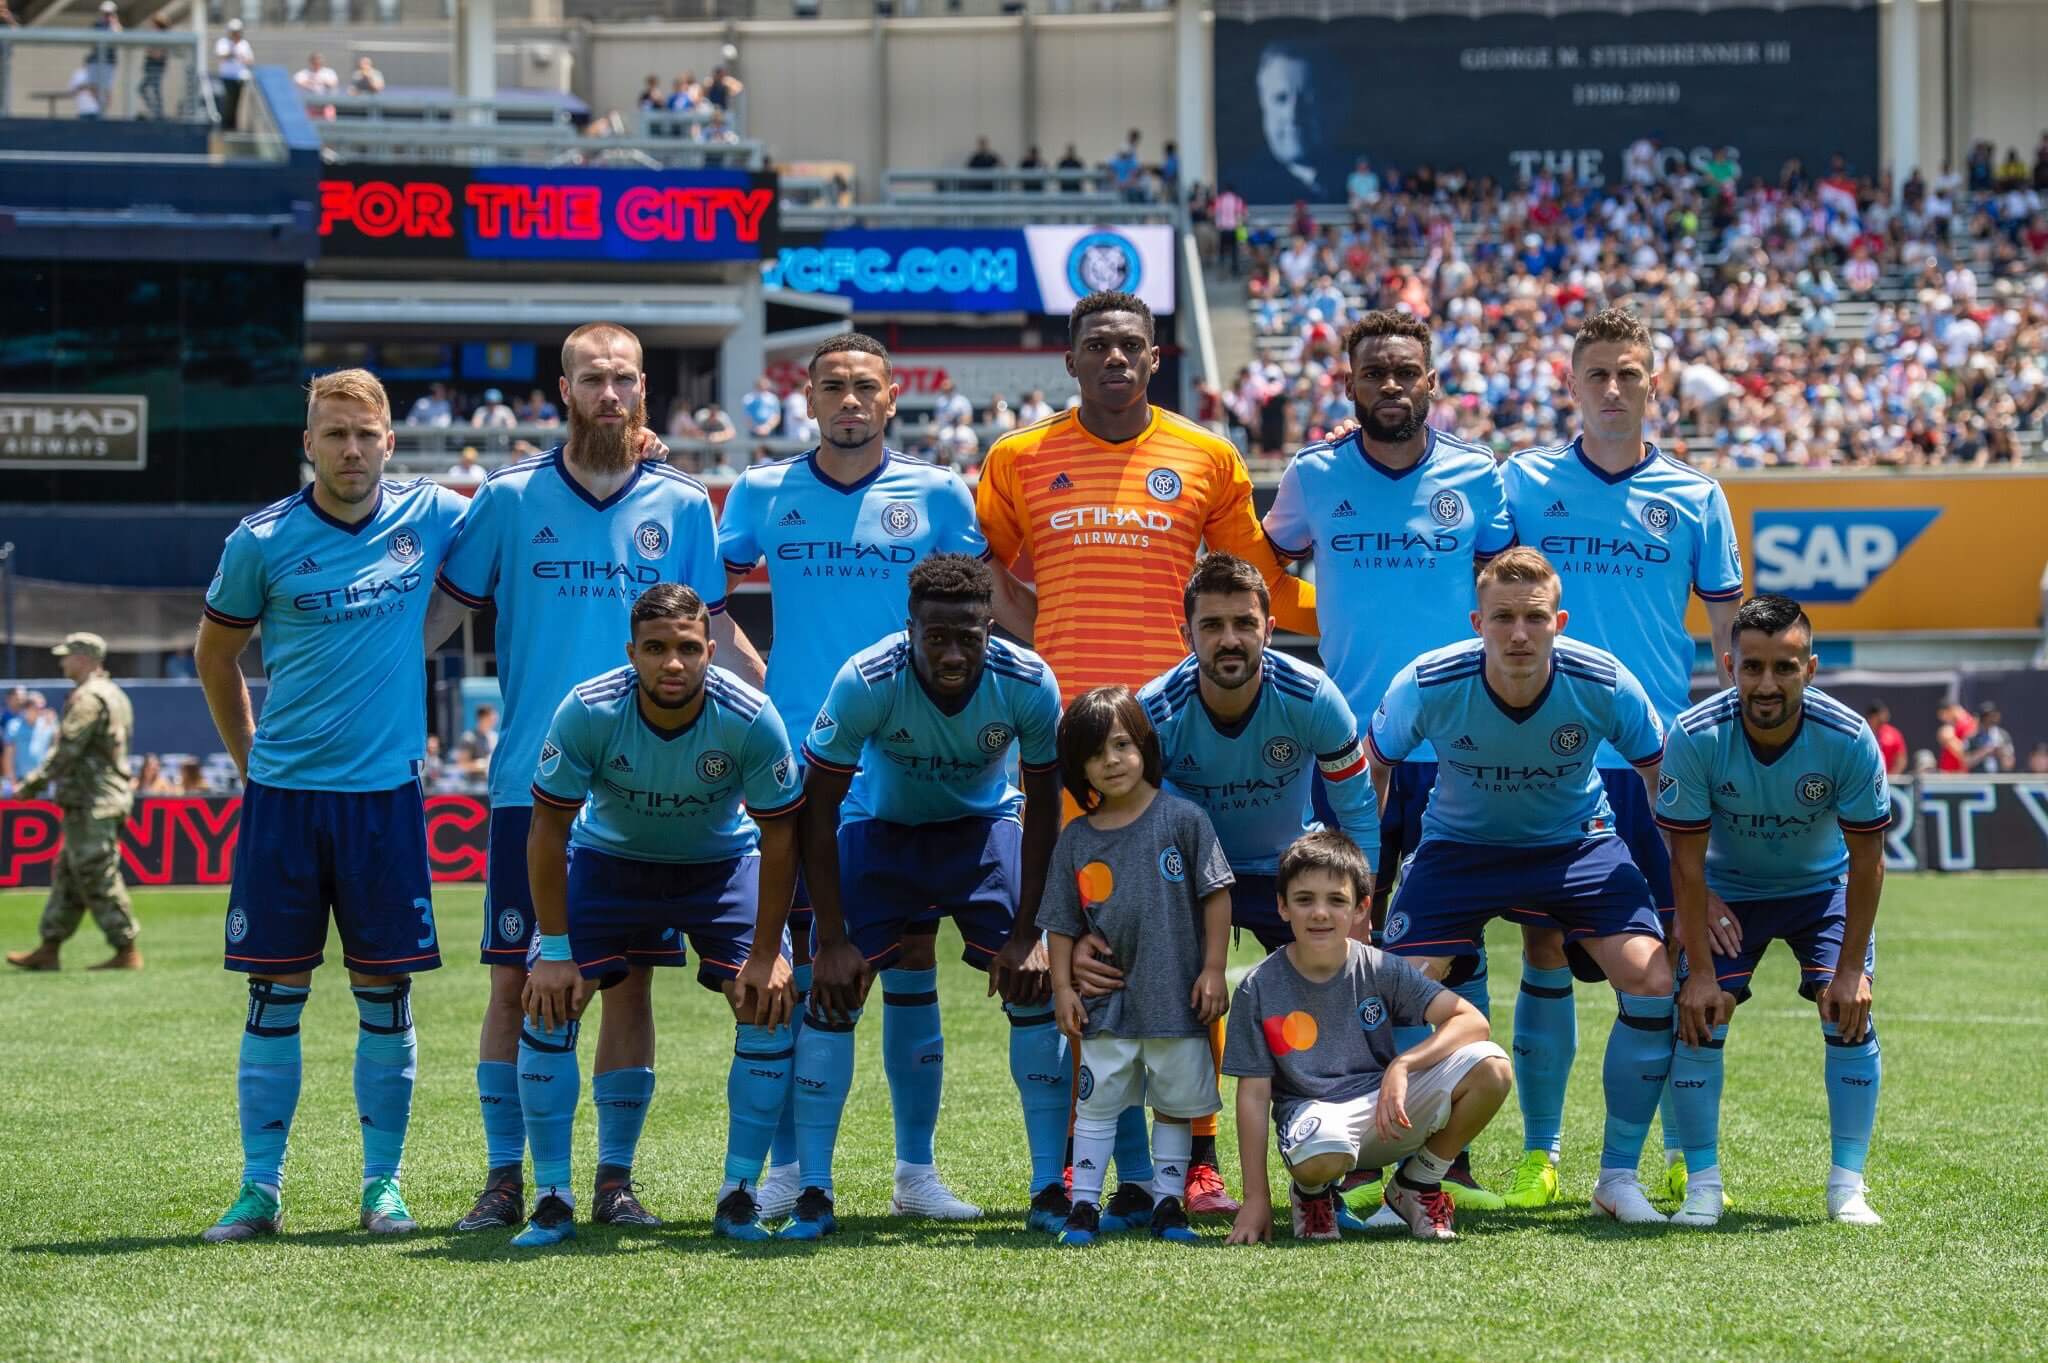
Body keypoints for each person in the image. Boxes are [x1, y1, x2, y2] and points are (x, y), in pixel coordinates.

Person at [976, 289, 1316, 1212]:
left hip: (1168, 741)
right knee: (1078, 950)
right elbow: (994, 574)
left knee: (1168, 957)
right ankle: (1096, 1165)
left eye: (1131, 345)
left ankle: (1190, 1153)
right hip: (1064, 749)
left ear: (1155, 356)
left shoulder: (1206, 455)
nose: (1115, 358)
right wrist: (1043, 653)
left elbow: (1256, 582)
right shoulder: (1018, 458)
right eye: (1099, 345)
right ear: (1071, 358)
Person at [429, 321, 760, 1233]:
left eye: (622, 380)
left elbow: (716, 638)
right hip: (527, 790)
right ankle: (506, 1177)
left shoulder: (688, 503)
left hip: (646, 790)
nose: (608, 395)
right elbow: (431, 629)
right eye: (591, 380)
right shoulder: (505, 497)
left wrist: (780, 713)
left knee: (630, 984)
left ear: (644, 389)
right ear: (562, 390)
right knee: (514, 980)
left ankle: (614, 1179)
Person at [715, 333, 990, 1217]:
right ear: (807, 398)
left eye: (864, 386)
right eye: (832, 385)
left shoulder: (941, 493)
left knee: (912, 955)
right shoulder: (761, 492)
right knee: (802, 958)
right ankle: (791, 1169)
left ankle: (916, 1173)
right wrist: (754, 674)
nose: (849, 400)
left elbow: (980, 608)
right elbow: (708, 590)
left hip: (904, 758)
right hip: (801, 758)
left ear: (893, 396)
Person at [191, 369, 469, 1242]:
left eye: (366, 434)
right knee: (274, 995)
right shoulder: (261, 540)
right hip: (285, 802)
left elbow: (533, 498)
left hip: (383, 798)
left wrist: (637, 440)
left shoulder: (433, 514)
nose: (351, 448)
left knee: (385, 995)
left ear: (391, 440)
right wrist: (251, 766)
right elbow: (214, 656)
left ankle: (381, 1186)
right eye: (334, 433)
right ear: (307, 443)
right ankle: (259, 1189)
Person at [1260, 309, 1512, 1206]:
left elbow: (1496, 591)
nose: (1393, 386)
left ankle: (1446, 1147)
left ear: (1432, 381)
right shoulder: (1314, 475)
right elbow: (1270, 567)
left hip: (1454, 749)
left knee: (1455, 935)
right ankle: (1336, 1121)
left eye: (1409, 370)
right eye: (1377, 373)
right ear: (1351, 382)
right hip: (1345, 749)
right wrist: (1318, 620)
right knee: (1338, 934)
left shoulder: (1477, 478)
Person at [1498, 305, 1745, 1207]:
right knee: (1544, 942)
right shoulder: (1521, 482)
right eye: (1596, 372)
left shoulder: (1696, 496)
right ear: (1569, 383)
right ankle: (1541, 1152)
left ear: (1653, 383)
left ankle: (1684, 1147)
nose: (1612, 389)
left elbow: (1729, 646)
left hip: (1655, 764)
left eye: (1628, 373)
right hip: (1546, 757)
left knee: (1680, 951)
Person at [1367, 547, 1678, 1225]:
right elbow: (1375, 769)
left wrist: (1679, 903)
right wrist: (1371, 882)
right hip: (1458, 847)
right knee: (1397, 987)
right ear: (1477, 620)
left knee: (1653, 981)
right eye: (1502, 617)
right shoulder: (1428, 680)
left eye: (1534, 618)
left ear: (1558, 620)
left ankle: (1617, 1176)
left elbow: (1664, 785)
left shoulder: (1603, 680)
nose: (1518, 634)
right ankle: (1412, 1171)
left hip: (1575, 844)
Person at [780, 556, 1065, 1239]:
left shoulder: (1028, 680)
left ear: (990, 629)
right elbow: (814, 809)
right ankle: (814, 1190)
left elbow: (1049, 808)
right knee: (831, 990)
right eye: (936, 635)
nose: (952, 651)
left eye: (968, 635)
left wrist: (1031, 932)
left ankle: (1051, 1184)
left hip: (982, 829)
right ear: (909, 628)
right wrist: (833, 937)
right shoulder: (866, 678)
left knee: (1035, 988)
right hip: (879, 828)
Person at [513, 584, 802, 1245]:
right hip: (608, 860)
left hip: (718, 865)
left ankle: (738, 1196)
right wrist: (554, 951)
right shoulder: (589, 709)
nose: (672, 663)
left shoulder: (750, 715)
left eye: (688, 648)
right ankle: (553, 1196)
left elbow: (781, 836)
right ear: (631, 652)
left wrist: (765, 953)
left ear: (709, 650)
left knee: (765, 998)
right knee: (549, 999)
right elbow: (548, 830)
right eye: (656, 649)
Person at [1659, 594, 1890, 1227]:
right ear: (1730, 664)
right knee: (1702, 1012)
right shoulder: (1696, 734)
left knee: (1848, 1010)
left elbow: (1868, 861)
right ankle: (1702, 1186)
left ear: (1810, 669)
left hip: (1822, 893)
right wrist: (1701, 972)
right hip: (1729, 895)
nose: (1767, 683)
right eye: (1753, 666)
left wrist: (1849, 972)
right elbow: (1684, 860)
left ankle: (1848, 1188)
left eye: (1784, 668)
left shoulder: (1847, 737)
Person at [1222, 830, 1512, 1243]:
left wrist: (1404, 1063)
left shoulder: (1380, 967)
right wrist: (1255, 1199)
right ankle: (1312, 1193)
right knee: (1324, 1152)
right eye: (1304, 899)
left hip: (1386, 1113)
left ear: (1361, 908)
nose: (1319, 913)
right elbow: (1252, 1096)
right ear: (1282, 907)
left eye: (1336, 901)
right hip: (1316, 1121)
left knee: (1492, 1066)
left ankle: (1418, 1183)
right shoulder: (1258, 987)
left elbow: (1470, 1021)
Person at [1041, 686, 1233, 1246]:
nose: (1113, 761)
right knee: (1097, 1102)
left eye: (1122, 745)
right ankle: (1083, 1208)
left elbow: (1216, 893)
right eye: (1096, 754)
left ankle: (1168, 1204)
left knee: (1175, 1106)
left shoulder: (1184, 820)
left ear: (1145, 746)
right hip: (1106, 1006)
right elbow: (1059, 921)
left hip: (1177, 1000)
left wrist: (1215, 969)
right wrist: (1062, 988)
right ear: (1081, 770)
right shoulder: (1076, 839)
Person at [5, 633, 139, 974]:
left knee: (96, 872)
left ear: (85, 657)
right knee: (69, 874)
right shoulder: (115, 694)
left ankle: (126, 948)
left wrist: (32, 784)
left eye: (67, 656)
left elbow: (68, 749)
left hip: (93, 799)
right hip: (103, 796)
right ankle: (49, 948)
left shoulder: (88, 698)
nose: (62, 662)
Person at [215, 19, 254, 129]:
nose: (236, 34)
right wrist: (233, 52)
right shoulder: (223, 42)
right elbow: (221, 55)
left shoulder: (244, 44)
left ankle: (236, 127)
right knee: (228, 103)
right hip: (227, 78)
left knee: (240, 104)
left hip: (241, 78)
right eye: (234, 31)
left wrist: (242, 57)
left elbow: (250, 60)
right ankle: (227, 126)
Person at [1966, 703, 2016, 772]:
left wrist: (2001, 754)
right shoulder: (1972, 737)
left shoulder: (2003, 735)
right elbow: (1967, 762)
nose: (1989, 720)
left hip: (1999, 779)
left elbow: (2009, 763)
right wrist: (1985, 752)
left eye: (1992, 716)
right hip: (1979, 779)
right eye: (1985, 717)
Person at [138, 17, 171, 120]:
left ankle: (159, 114)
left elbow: (158, 54)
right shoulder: (154, 36)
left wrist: (151, 50)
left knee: (155, 90)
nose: (151, 27)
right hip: (150, 67)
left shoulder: (163, 37)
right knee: (143, 89)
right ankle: (156, 112)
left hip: (156, 67)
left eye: (153, 25)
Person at [1865, 701, 1908, 776]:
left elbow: (1901, 759)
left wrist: (1890, 777)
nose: (1882, 717)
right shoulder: (1863, 733)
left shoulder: (1893, 734)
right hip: (1868, 779)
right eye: (1877, 715)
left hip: (1890, 780)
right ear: (1871, 717)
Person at [457, 703, 498, 780]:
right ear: (482, 718)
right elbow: (461, 764)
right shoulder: (469, 737)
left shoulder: (494, 737)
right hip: (474, 786)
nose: (494, 721)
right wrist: (479, 765)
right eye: (491, 718)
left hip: (491, 784)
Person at [294, 52, 339, 119]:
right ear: (311, 62)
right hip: (310, 105)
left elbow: (333, 84)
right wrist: (310, 83)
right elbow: (297, 82)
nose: (317, 63)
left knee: (329, 124)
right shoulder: (303, 73)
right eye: (315, 61)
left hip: (326, 105)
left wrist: (322, 81)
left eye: (319, 61)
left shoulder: (329, 72)